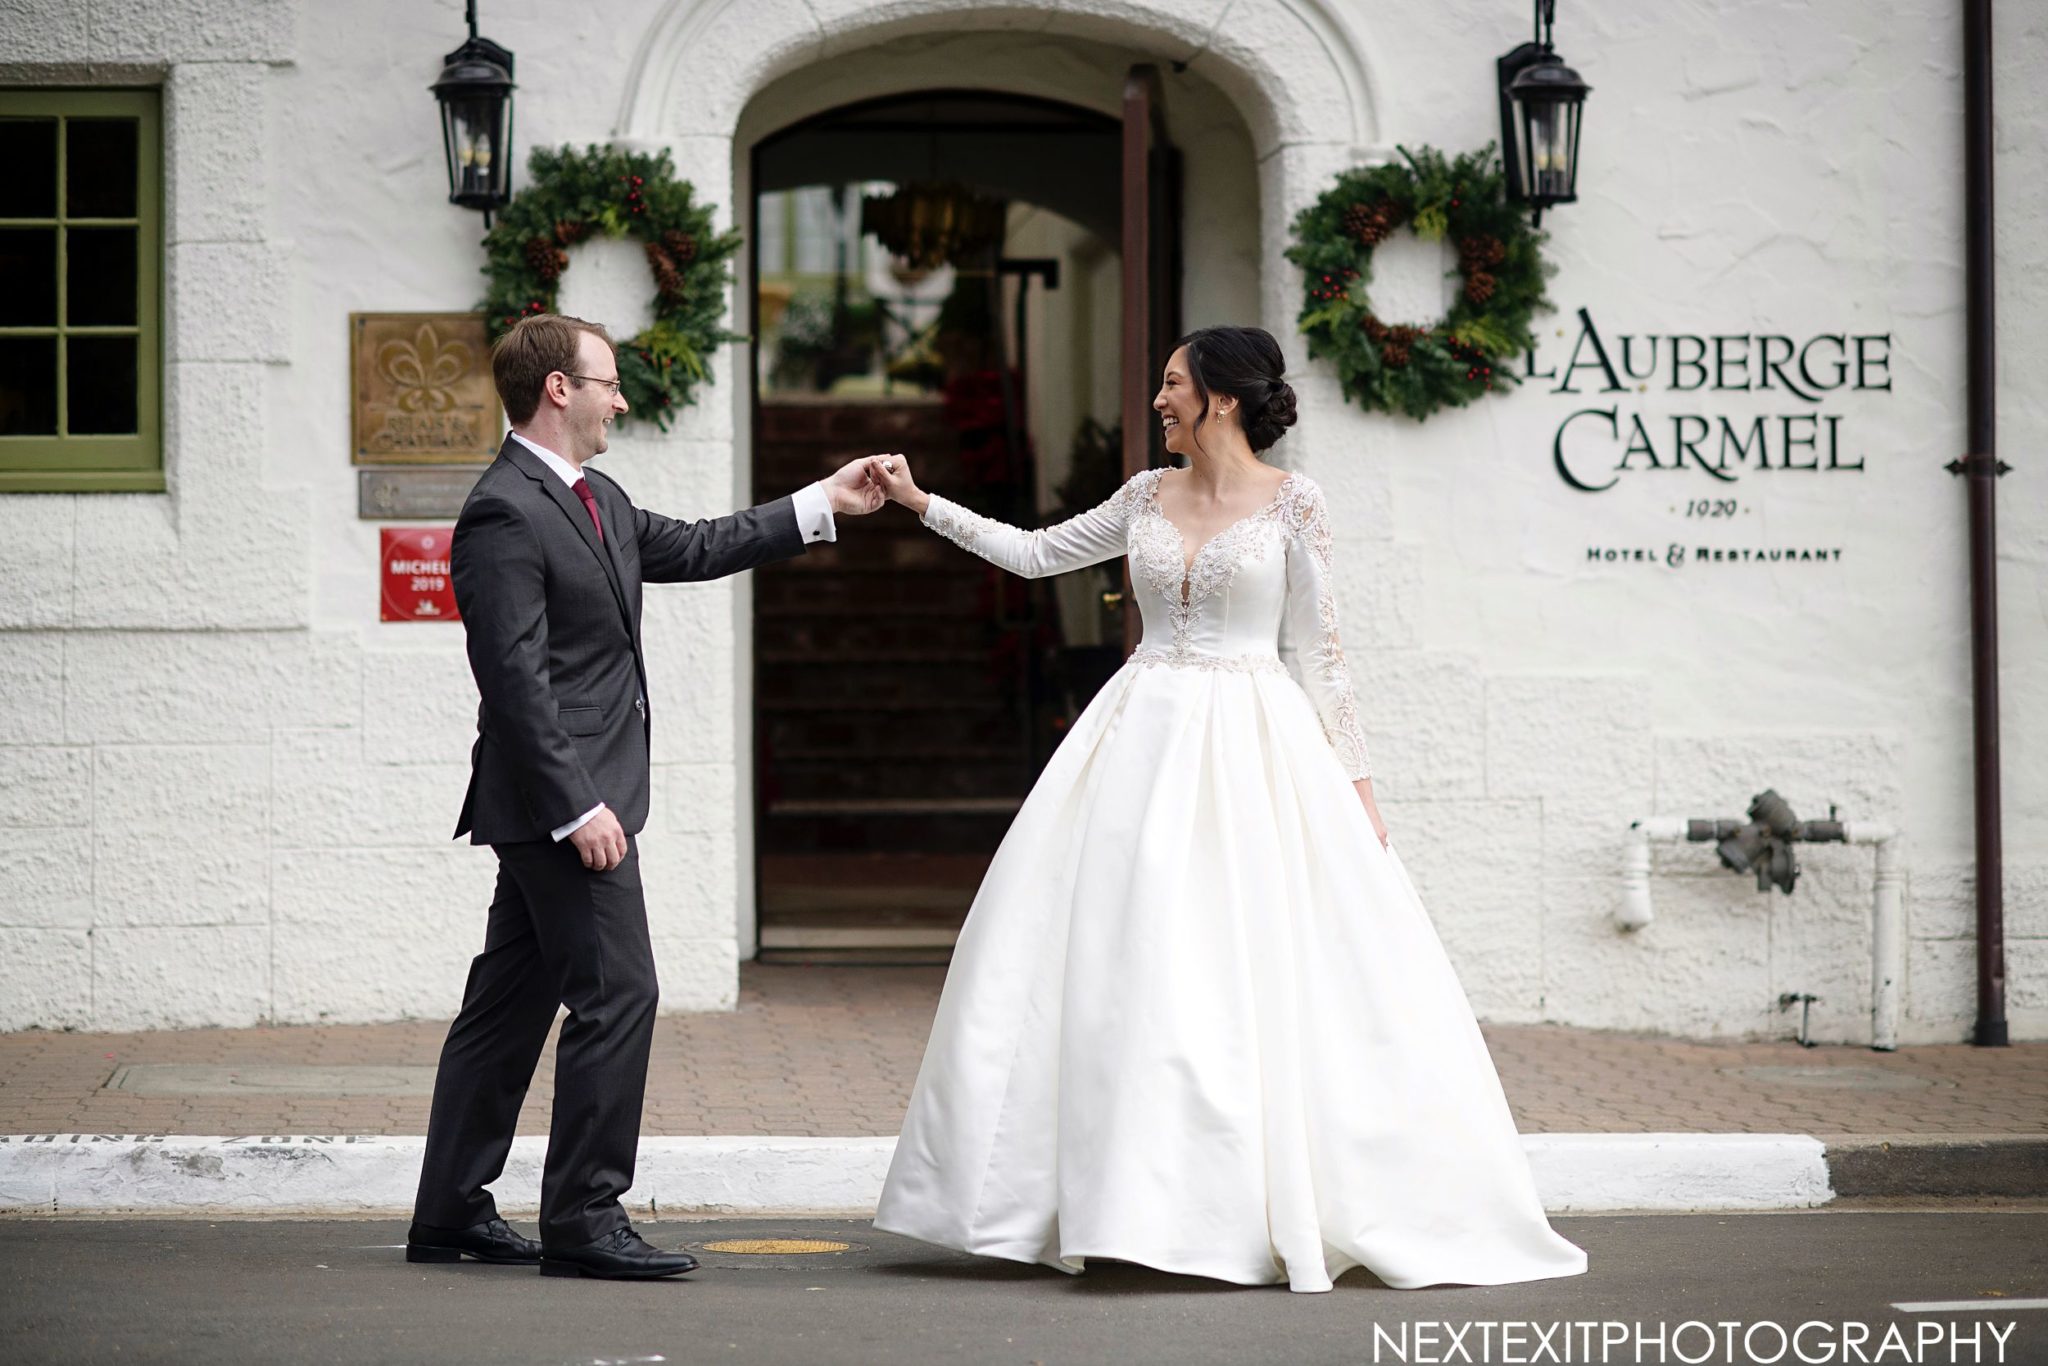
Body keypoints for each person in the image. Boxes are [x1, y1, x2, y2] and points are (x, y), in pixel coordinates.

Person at [866, 325, 1588, 1293]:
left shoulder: (1296, 504)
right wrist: (919, 503)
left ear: (1221, 397)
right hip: (1134, 748)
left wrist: (1359, 793)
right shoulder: (1142, 496)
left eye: (1171, 383)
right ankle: (1122, 1206)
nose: (1157, 398)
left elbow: (1321, 657)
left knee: (1235, 974)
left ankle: (1224, 1210)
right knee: (1127, 970)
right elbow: (1036, 553)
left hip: (1256, 749)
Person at [407, 313, 883, 1280]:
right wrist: (577, 806)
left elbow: (701, 545)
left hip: (572, 799)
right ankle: (583, 1218)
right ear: (558, 390)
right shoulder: (505, 509)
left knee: (505, 1008)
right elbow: (512, 677)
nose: (621, 397)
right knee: (621, 994)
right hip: (564, 807)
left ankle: (451, 1210)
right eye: (609, 381)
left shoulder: (597, 498)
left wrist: (819, 501)